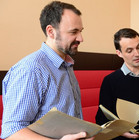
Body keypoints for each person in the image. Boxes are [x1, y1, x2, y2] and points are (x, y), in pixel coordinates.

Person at [1, 1, 93, 140]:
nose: (81, 38)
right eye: (74, 32)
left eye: (81, 31)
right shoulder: (30, 69)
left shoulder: (66, 64)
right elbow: (12, 131)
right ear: (51, 31)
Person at [95, 28, 139, 140]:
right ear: (119, 53)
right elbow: (101, 119)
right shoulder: (110, 81)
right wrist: (120, 131)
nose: (137, 53)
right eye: (130, 51)